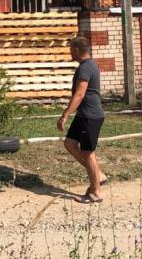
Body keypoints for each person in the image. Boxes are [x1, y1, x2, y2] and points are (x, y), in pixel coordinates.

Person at [57, 35, 107, 203]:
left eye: (71, 49)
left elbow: (80, 93)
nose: (70, 52)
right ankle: (97, 176)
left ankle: (95, 192)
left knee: (88, 153)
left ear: (77, 50)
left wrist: (65, 115)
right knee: (70, 143)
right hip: (84, 115)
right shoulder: (88, 65)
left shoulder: (86, 67)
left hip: (90, 116)